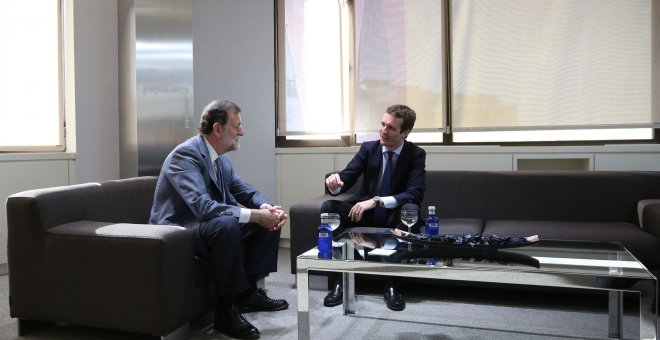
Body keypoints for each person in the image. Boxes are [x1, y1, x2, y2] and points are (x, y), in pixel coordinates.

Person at [149, 99, 288, 340]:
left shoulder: (220, 158)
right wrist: (254, 216)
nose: (241, 132)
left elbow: (244, 190)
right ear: (217, 128)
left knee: (270, 220)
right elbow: (203, 207)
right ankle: (225, 311)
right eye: (237, 126)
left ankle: (247, 294)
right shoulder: (185, 155)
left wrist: (265, 208)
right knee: (228, 224)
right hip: (178, 231)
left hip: (206, 225)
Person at [321, 104, 426, 311]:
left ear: (405, 133)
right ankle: (341, 280)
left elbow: (415, 192)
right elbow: (348, 176)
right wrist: (336, 183)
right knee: (329, 207)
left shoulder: (416, 154)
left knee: (410, 210)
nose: (383, 131)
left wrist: (377, 200)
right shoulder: (369, 148)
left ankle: (392, 285)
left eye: (391, 128)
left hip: (393, 214)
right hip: (364, 214)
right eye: (382, 124)